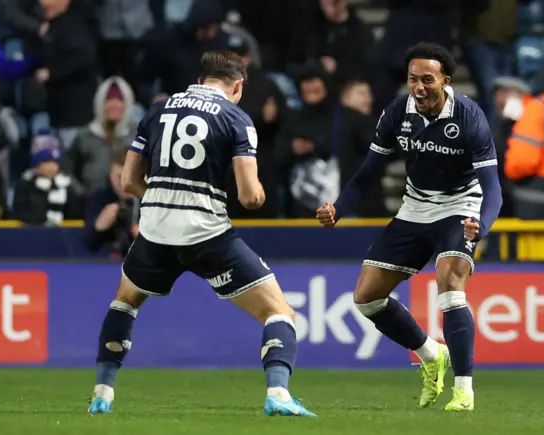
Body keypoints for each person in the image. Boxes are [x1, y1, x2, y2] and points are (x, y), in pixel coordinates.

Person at [88, 51, 316, 418]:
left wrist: (164, 199)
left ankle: (102, 394)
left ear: (200, 79)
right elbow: (249, 196)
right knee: (280, 313)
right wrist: (259, 193)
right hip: (206, 233)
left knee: (125, 301)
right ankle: (278, 394)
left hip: (155, 230)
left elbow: (130, 181)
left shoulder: (158, 110)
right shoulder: (236, 118)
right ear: (238, 85)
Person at [316, 42, 503, 411]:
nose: (418, 87)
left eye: (427, 80)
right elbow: (368, 173)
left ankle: (463, 390)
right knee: (366, 299)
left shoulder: (468, 116)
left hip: (460, 206)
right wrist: (338, 208)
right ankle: (431, 354)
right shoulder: (397, 112)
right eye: (412, 79)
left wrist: (481, 225)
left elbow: (492, 186)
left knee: (449, 285)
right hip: (415, 208)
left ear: (445, 81)